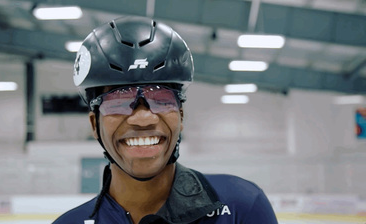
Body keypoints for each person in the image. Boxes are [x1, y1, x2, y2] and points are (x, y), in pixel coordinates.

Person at [53, 16, 278, 224]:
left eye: (160, 98)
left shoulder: (243, 206)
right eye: (118, 101)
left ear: (181, 116)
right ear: (95, 124)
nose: (142, 119)